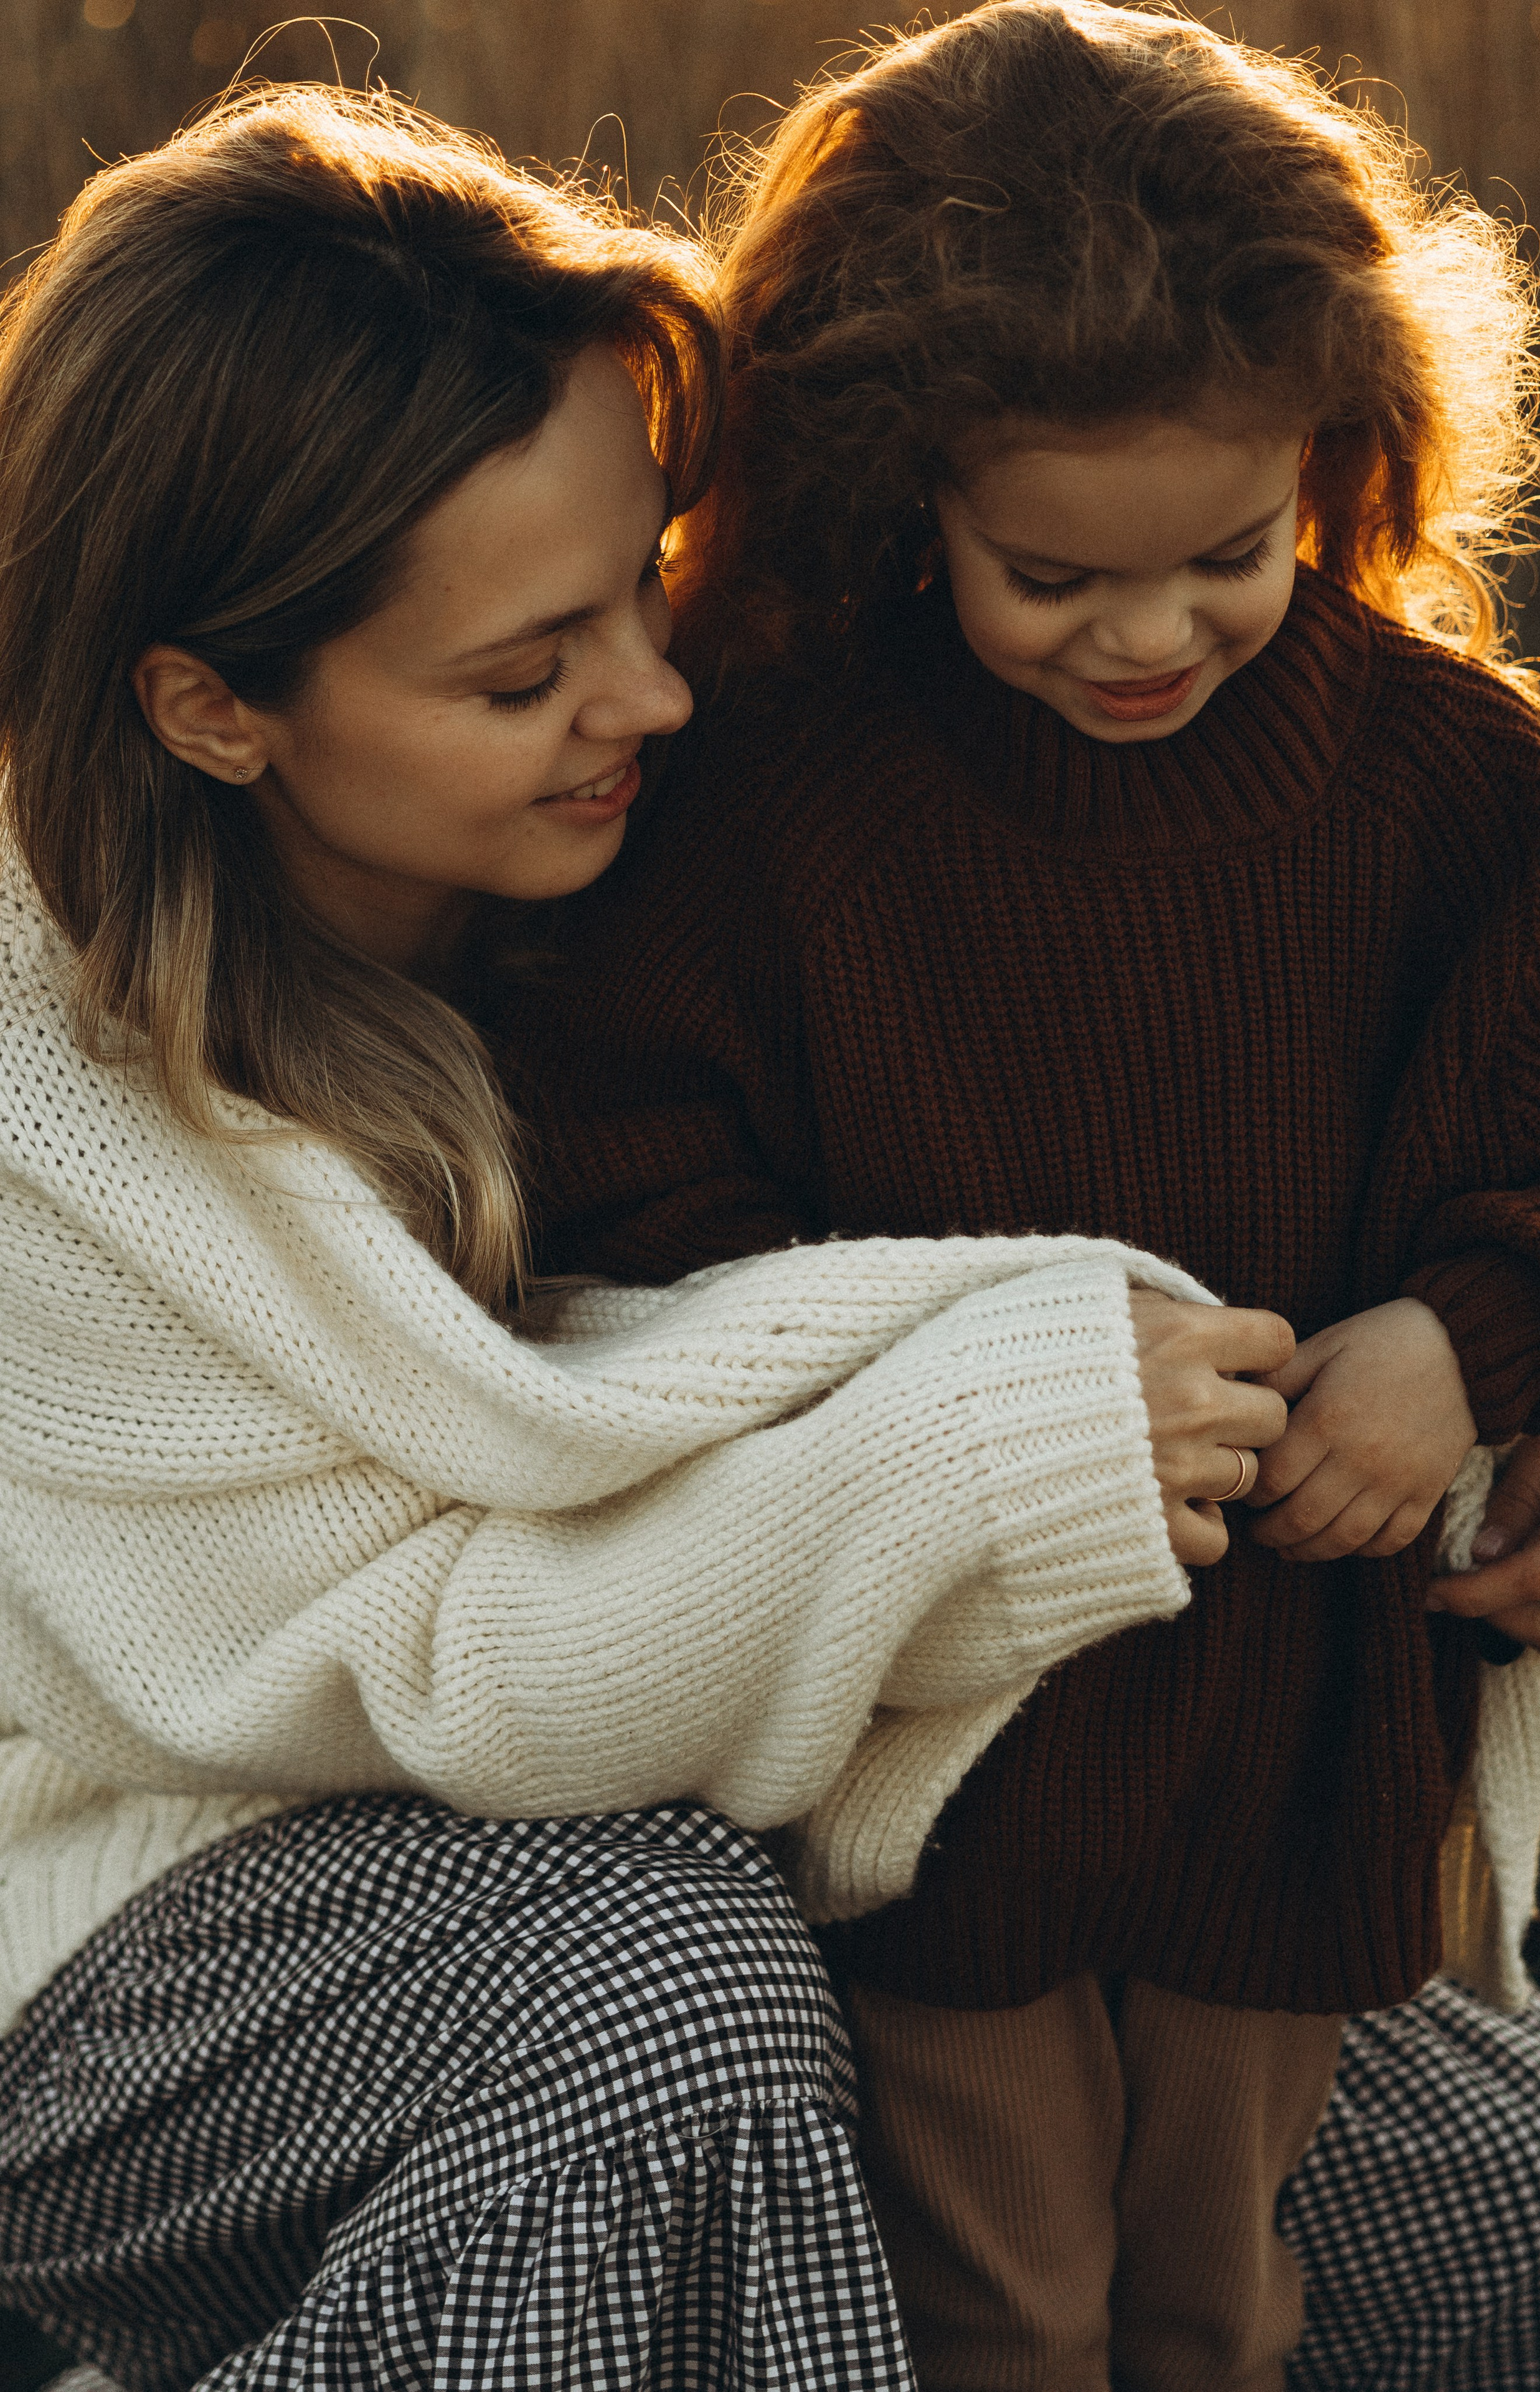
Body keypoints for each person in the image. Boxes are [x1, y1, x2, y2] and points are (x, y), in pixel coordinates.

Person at [0, 82, 1299, 2391]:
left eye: (648, 584)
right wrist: (975, 1466)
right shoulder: (46, 1102)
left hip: (775, 1830)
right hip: (138, 1950)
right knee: (649, 2001)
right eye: (526, 677)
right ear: (209, 706)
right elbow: (422, 1669)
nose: (656, 698)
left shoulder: (715, 844)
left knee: (1481, 2171)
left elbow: (1253, 1096)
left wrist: (1510, 1402)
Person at [500, 6, 1540, 2385]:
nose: (1148, 635)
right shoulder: (772, 794)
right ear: (906, 492)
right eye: (1049, 576)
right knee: (1004, 2296)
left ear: (1341, 452)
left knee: (1213, 2296)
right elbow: (635, 1195)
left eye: (1232, 553)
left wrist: (1470, 1333)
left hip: (1297, 1730)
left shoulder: (1464, 795)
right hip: (943, 1728)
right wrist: (963, 1385)